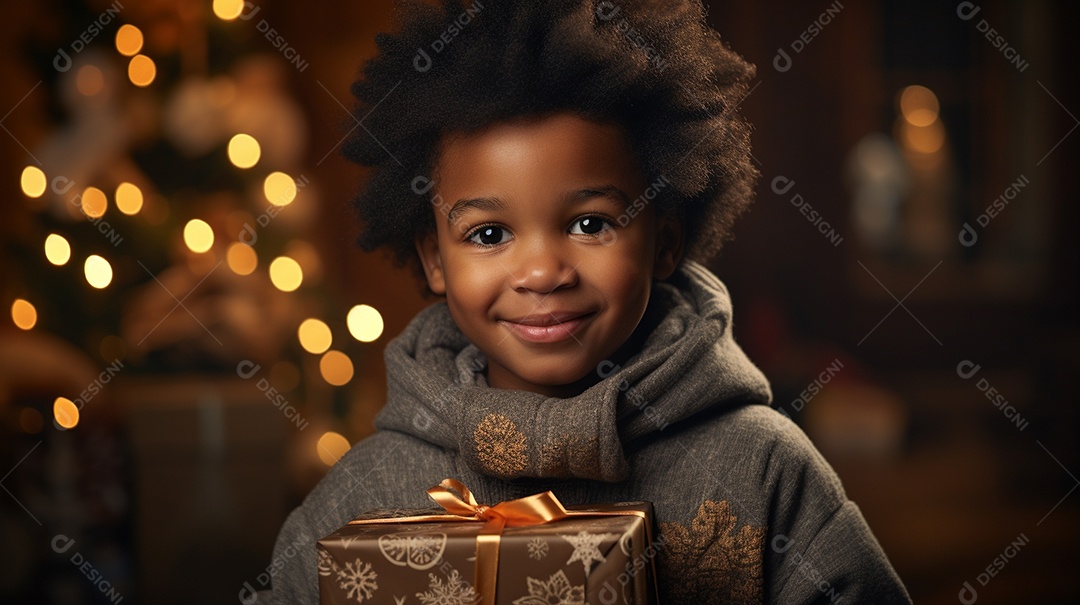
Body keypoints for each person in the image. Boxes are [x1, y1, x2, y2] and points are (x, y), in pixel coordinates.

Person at [255, 0, 911, 602]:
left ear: (665, 240)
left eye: (591, 223)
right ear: (434, 258)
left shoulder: (762, 470)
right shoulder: (368, 491)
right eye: (489, 234)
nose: (542, 271)